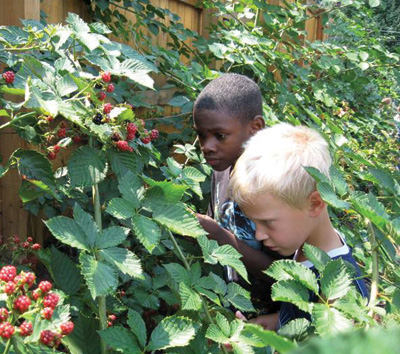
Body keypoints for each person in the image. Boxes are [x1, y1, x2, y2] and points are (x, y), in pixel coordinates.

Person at [229, 122, 369, 330]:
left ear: (314, 204)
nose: (258, 235)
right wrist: (274, 324)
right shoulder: (307, 246)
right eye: (254, 222)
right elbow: (306, 319)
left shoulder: (341, 294)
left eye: (267, 222)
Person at [193, 74, 280, 309]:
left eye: (220, 136)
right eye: (201, 135)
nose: (206, 147)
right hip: (232, 303)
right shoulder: (222, 169)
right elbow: (217, 220)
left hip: (272, 316)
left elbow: (286, 273)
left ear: (255, 128)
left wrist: (219, 236)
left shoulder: (273, 185)